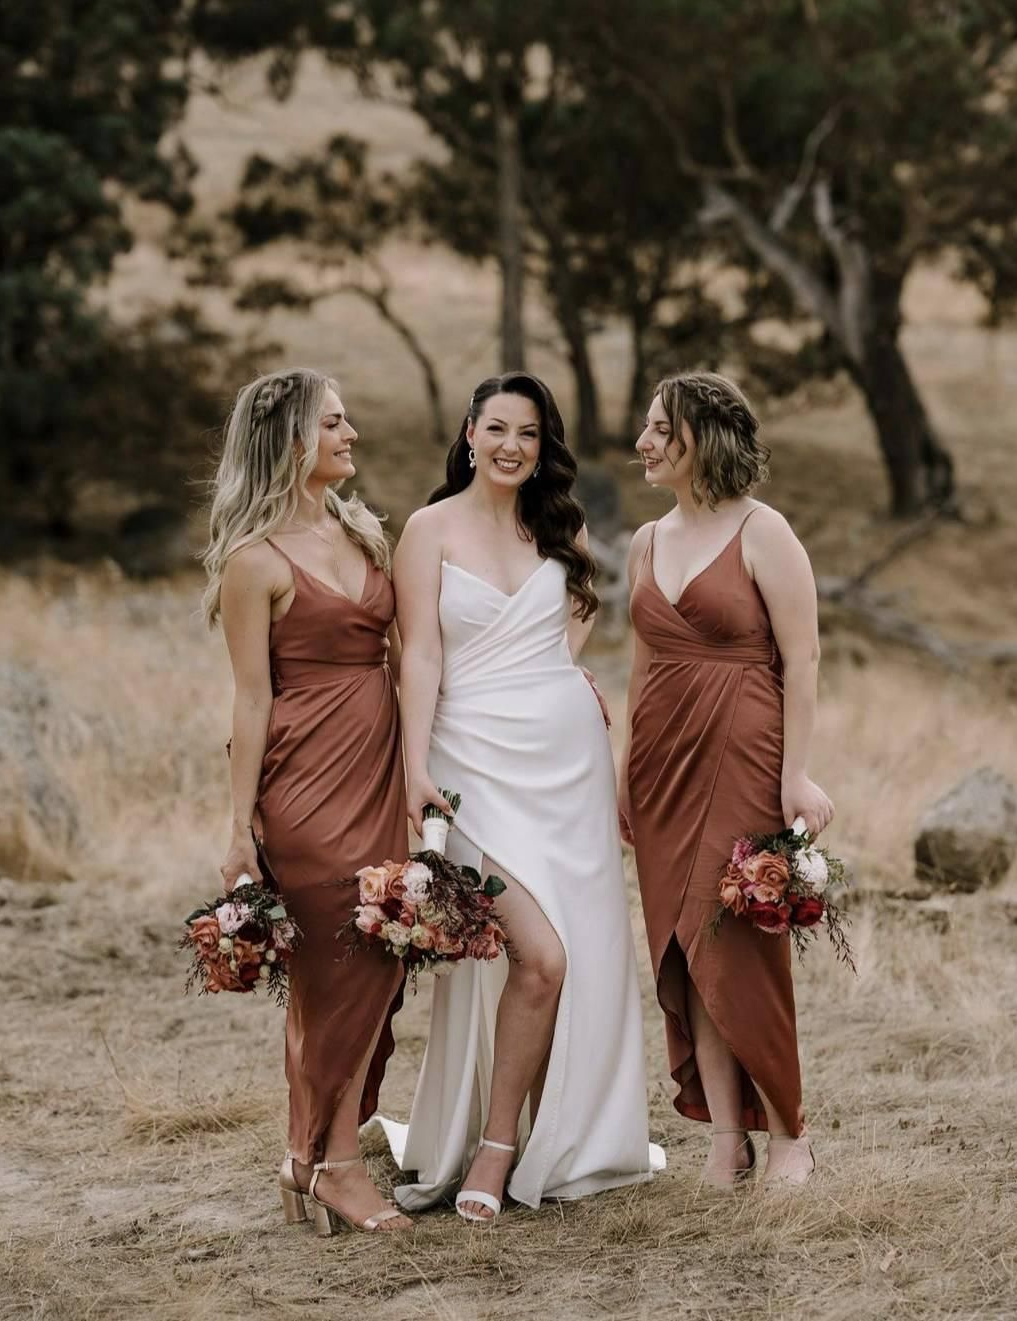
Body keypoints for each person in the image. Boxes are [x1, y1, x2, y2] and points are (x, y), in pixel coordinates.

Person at [380, 371, 662, 1222]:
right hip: (473, 763)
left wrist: (566, 670)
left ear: (544, 446)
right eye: (497, 428)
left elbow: (580, 604)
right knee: (539, 956)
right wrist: (413, 762)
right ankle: (497, 1145)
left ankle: (516, 1141)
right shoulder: (428, 529)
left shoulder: (559, 523)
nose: (511, 446)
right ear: (469, 432)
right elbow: (420, 654)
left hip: (566, 762)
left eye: (529, 434)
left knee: (567, 956)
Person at [203, 367, 412, 1234]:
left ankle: (307, 1153)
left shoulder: (362, 531)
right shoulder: (254, 563)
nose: (350, 432)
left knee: (390, 951)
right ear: (291, 439)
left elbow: (406, 655)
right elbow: (251, 700)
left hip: (383, 769)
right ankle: (336, 1164)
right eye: (332, 422)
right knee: (337, 967)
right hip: (305, 782)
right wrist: (236, 823)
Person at [620, 371, 833, 1188]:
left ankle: (788, 1132)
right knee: (680, 946)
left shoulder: (763, 530)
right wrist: (622, 775)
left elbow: (802, 658)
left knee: (738, 943)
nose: (642, 442)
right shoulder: (644, 540)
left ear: (698, 437)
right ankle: (722, 1138)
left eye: (656, 428)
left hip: (742, 747)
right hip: (660, 763)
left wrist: (796, 774)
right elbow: (641, 665)